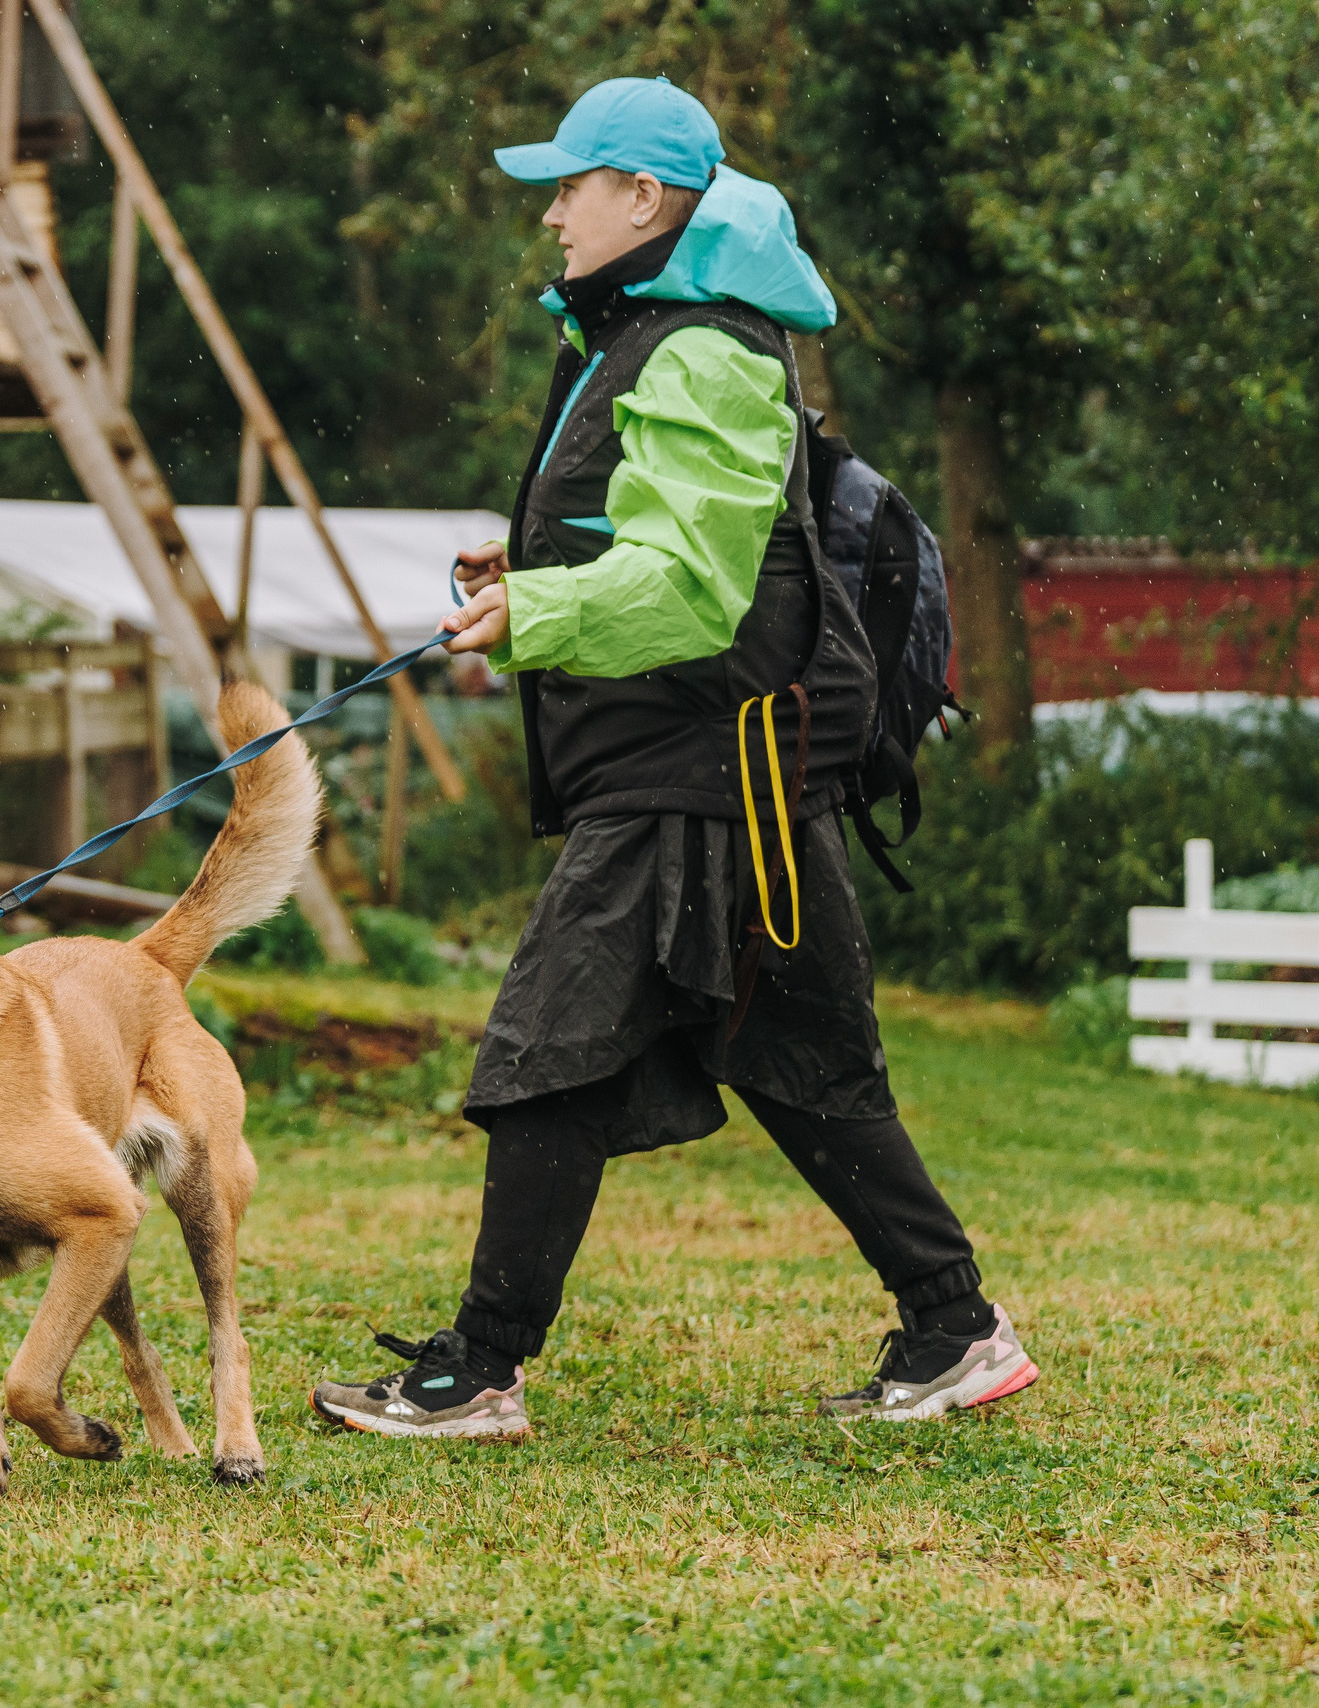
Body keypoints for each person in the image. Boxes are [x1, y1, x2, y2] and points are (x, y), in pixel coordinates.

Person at [309, 77, 1039, 1440]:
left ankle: (479, 1370)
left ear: (644, 197)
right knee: (800, 1063)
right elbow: (661, 542)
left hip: (695, 776)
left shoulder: (700, 345)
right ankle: (953, 1326)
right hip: (726, 774)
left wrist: (540, 609)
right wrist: (531, 563)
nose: (553, 213)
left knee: (549, 1049)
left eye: (572, 185)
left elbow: (694, 587)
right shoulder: (656, 333)